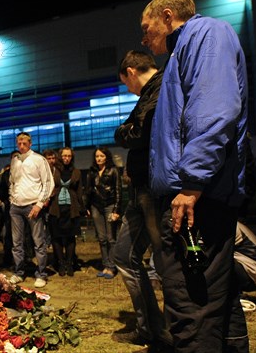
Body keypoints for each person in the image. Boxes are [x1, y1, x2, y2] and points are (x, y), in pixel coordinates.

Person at [142, 0, 249, 351]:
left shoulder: (205, 35)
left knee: (192, 309)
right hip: (198, 193)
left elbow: (213, 109)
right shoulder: (184, 50)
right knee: (213, 303)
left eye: (147, 28)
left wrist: (191, 183)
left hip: (197, 198)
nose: (145, 38)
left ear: (168, 16)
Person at [111, 50, 171, 351]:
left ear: (131, 71)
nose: (127, 88)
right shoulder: (149, 94)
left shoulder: (161, 88)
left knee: (165, 261)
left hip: (152, 191)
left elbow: (140, 133)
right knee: (124, 256)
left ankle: (166, 331)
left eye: (125, 83)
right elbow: (131, 130)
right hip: (140, 192)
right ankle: (152, 328)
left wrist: (124, 132)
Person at [8, 132, 54, 288]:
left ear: (30, 143)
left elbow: (48, 183)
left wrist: (39, 204)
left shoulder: (38, 159)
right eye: (19, 143)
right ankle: (19, 272)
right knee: (17, 243)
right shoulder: (15, 160)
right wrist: (11, 199)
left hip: (32, 205)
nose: (21, 145)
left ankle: (41, 274)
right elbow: (12, 182)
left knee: (38, 242)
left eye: (24, 143)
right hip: (16, 207)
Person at [83, 147, 122, 279]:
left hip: (110, 206)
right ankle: (106, 265)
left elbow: (118, 190)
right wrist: (86, 206)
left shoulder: (113, 170)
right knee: (102, 238)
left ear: (107, 157)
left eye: (102, 156)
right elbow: (88, 190)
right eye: (97, 156)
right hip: (95, 207)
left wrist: (117, 210)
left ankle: (112, 267)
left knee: (111, 238)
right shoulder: (92, 171)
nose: (99, 158)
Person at [47, 147, 85, 277]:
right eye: (64, 156)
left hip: (71, 208)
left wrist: (83, 207)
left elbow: (79, 191)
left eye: (69, 156)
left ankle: (69, 263)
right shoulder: (54, 171)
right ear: (60, 156)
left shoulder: (77, 172)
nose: (66, 158)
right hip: (56, 208)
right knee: (56, 237)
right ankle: (60, 263)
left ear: (72, 157)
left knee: (70, 237)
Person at [0, 150, 19, 268]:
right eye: (13, 157)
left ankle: (25, 259)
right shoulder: (6, 174)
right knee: (9, 235)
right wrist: (6, 199)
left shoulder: (28, 171)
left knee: (24, 236)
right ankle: (8, 259)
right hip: (10, 209)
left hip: (25, 207)